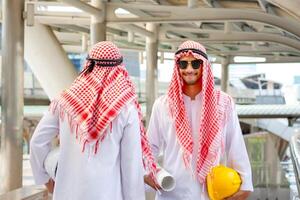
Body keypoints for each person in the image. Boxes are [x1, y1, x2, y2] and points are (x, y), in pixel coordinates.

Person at [30, 41, 157, 200]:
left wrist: (45, 179)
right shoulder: (126, 109)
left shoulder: (64, 102)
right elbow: (131, 167)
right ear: (119, 69)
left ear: (88, 66)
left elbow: (37, 142)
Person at [144, 40, 253, 199]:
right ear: (177, 67)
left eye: (195, 64)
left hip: (210, 192)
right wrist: (149, 173)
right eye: (183, 64)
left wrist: (245, 184)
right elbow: (149, 148)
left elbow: (235, 145)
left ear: (204, 66)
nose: (189, 69)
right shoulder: (163, 104)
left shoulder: (223, 103)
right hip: (172, 192)